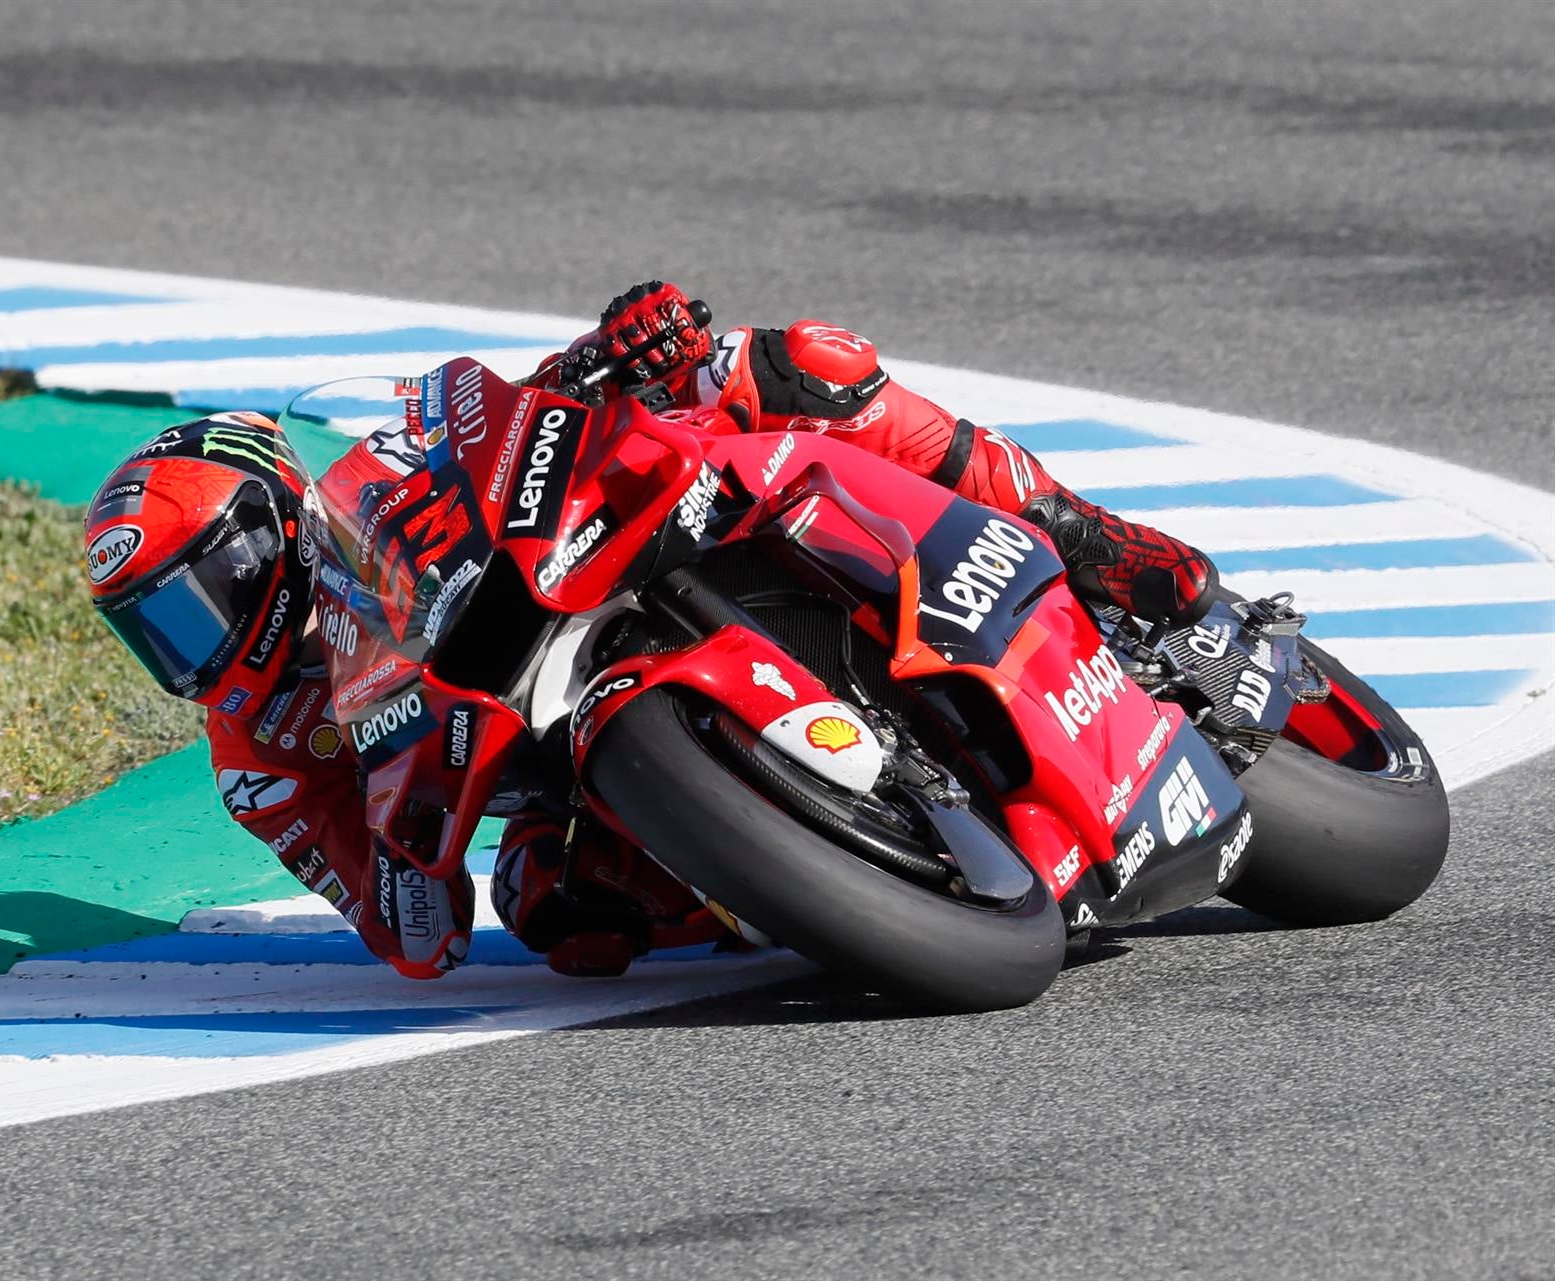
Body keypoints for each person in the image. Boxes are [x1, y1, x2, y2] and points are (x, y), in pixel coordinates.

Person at [82, 282, 1219, 981]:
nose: (198, 650)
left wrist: (612, 351)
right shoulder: (260, 768)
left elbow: (512, 419)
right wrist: (402, 841)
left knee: (800, 369)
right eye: (158, 635)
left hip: (607, 549)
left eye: (198, 601)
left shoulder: (372, 484)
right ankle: (817, 863)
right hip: (536, 755)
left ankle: (1084, 534)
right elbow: (411, 934)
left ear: (265, 532)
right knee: (557, 917)